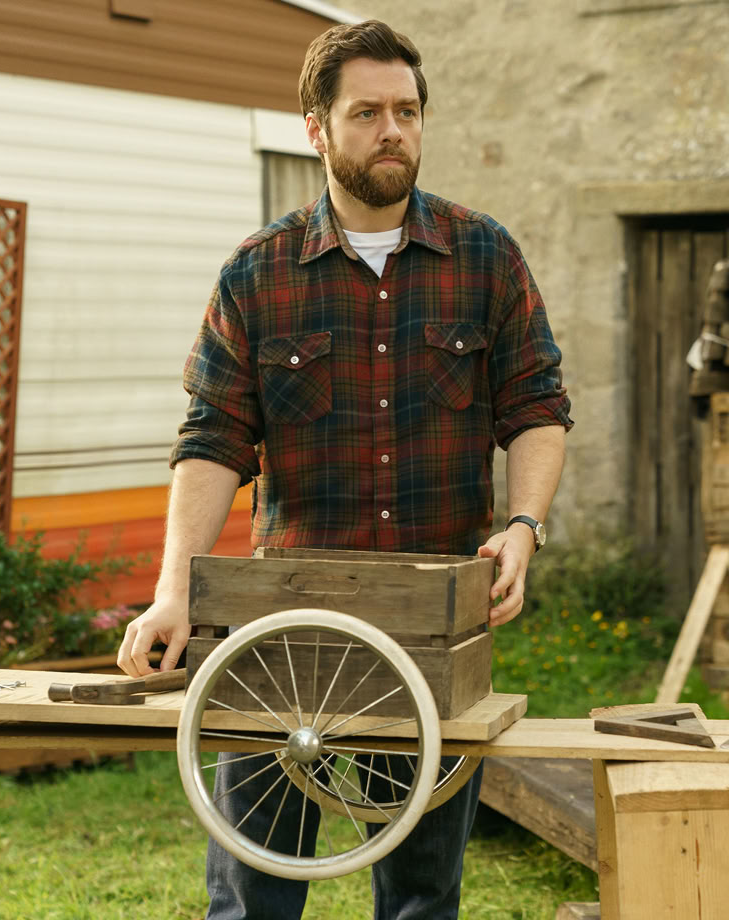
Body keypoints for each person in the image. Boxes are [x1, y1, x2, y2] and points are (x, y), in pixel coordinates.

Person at [117, 18, 572, 920]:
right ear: (318, 130)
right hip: (277, 637)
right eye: (366, 112)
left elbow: (537, 409)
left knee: (420, 900)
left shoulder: (486, 256)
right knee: (255, 895)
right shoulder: (257, 274)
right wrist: (176, 592)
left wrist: (522, 526)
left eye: (406, 110)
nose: (392, 130)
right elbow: (212, 439)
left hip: (434, 633)